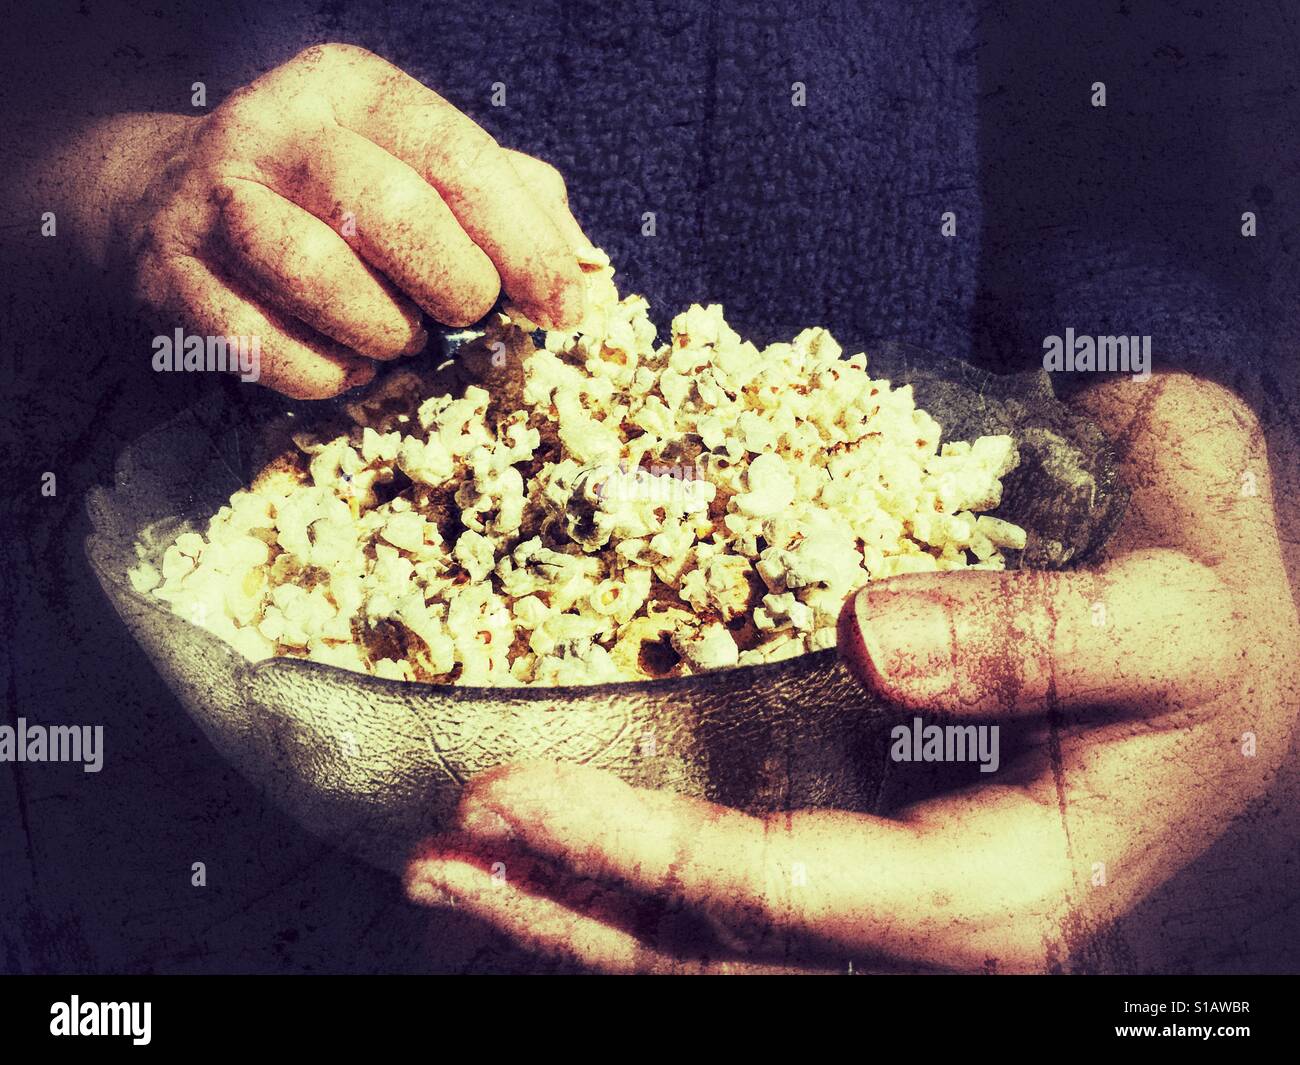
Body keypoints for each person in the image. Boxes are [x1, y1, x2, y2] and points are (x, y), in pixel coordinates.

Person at [12, 16, 1299, 972]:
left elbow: (1130, 138)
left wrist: (1195, 499)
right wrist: (124, 184)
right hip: (198, 857)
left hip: (893, 769)